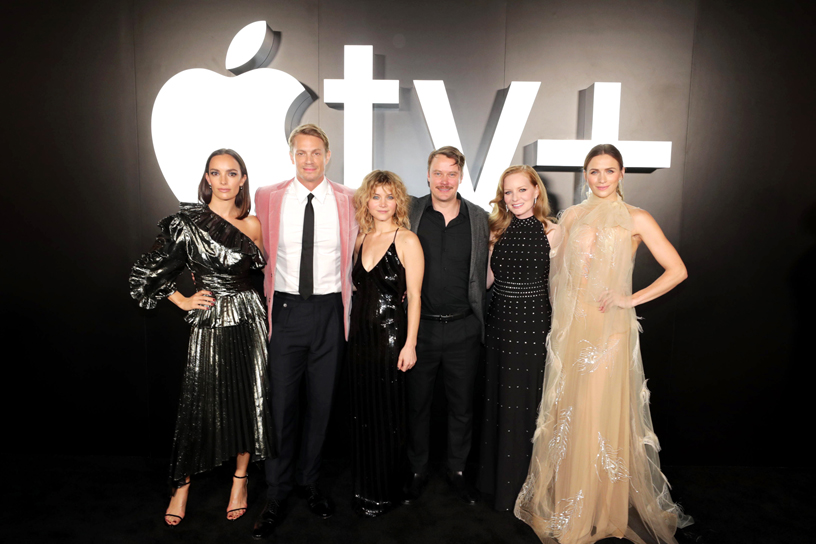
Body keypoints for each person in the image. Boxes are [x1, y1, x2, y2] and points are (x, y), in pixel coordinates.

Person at [515, 144, 693, 544]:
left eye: (608, 171)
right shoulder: (572, 216)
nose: (600, 178)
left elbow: (677, 270)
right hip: (572, 330)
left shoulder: (636, 218)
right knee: (573, 415)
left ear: (622, 173)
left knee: (600, 414)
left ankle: (606, 510)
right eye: (593, 171)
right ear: (585, 174)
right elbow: (552, 272)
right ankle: (574, 506)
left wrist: (629, 300)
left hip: (610, 332)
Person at [129, 149, 274, 526]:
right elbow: (149, 274)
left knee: (248, 400)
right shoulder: (186, 223)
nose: (224, 181)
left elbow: (260, 276)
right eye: (216, 173)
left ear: (243, 179)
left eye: (232, 173)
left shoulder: (254, 224)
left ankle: (239, 482)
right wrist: (183, 300)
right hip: (210, 320)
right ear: (206, 178)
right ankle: (182, 486)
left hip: (249, 318)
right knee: (199, 405)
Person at [252, 124, 358, 539]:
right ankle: (276, 492)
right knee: (281, 407)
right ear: (291, 156)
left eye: (316, 152)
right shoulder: (268, 196)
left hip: (332, 311)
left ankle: (310, 483)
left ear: (328, 156)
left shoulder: (350, 200)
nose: (309, 160)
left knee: (322, 404)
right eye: (302, 153)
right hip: (287, 310)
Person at [403, 146, 489, 505]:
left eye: (452, 173)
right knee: (416, 405)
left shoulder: (480, 218)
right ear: (427, 175)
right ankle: (416, 471)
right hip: (418, 330)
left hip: (463, 328)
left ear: (461, 177)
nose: (444, 180)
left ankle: (457, 471)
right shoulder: (409, 212)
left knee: (462, 407)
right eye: (438, 173)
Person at [478, 165, 560, 511]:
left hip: (534, 326)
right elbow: (483, 282)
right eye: (508, 192)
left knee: (528, 402)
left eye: (522, 191)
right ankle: (497, 485)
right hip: (499, 325)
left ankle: (527, 489)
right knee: (499, 400)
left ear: (536, 191)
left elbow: (561, 287)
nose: (515, 198)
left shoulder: (553, 232)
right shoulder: (496, 230)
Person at [348, 170, 424, 516]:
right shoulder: (360, 239)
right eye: (376, 196)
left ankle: (387, 488)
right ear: (366, 200)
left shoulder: (407, 240)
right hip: (360, 340)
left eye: (389, 196)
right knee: (364, 414)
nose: (382, 203)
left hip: (392, 339)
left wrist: (410, 344)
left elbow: (417, 296)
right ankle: (366, 485)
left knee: (388, 415)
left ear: (399, 202)